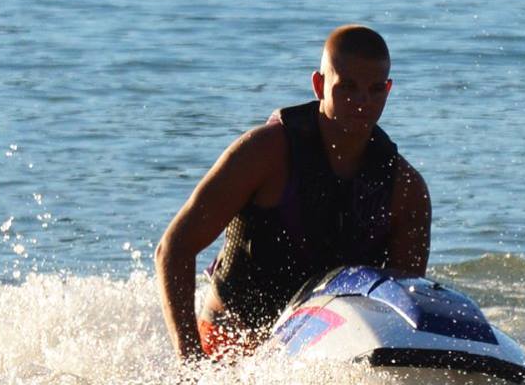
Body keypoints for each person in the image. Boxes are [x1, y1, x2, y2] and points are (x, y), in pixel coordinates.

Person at [155, 25, 431, 361]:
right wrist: (191, 363)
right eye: (347, 87)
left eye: (375, 90)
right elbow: (173, 249)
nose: (362, 102)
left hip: (323, 353)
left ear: (388, 90)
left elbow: (403, 299)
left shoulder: (405, 189)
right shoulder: (264, 153)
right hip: (230, 343)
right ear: (319, 85)